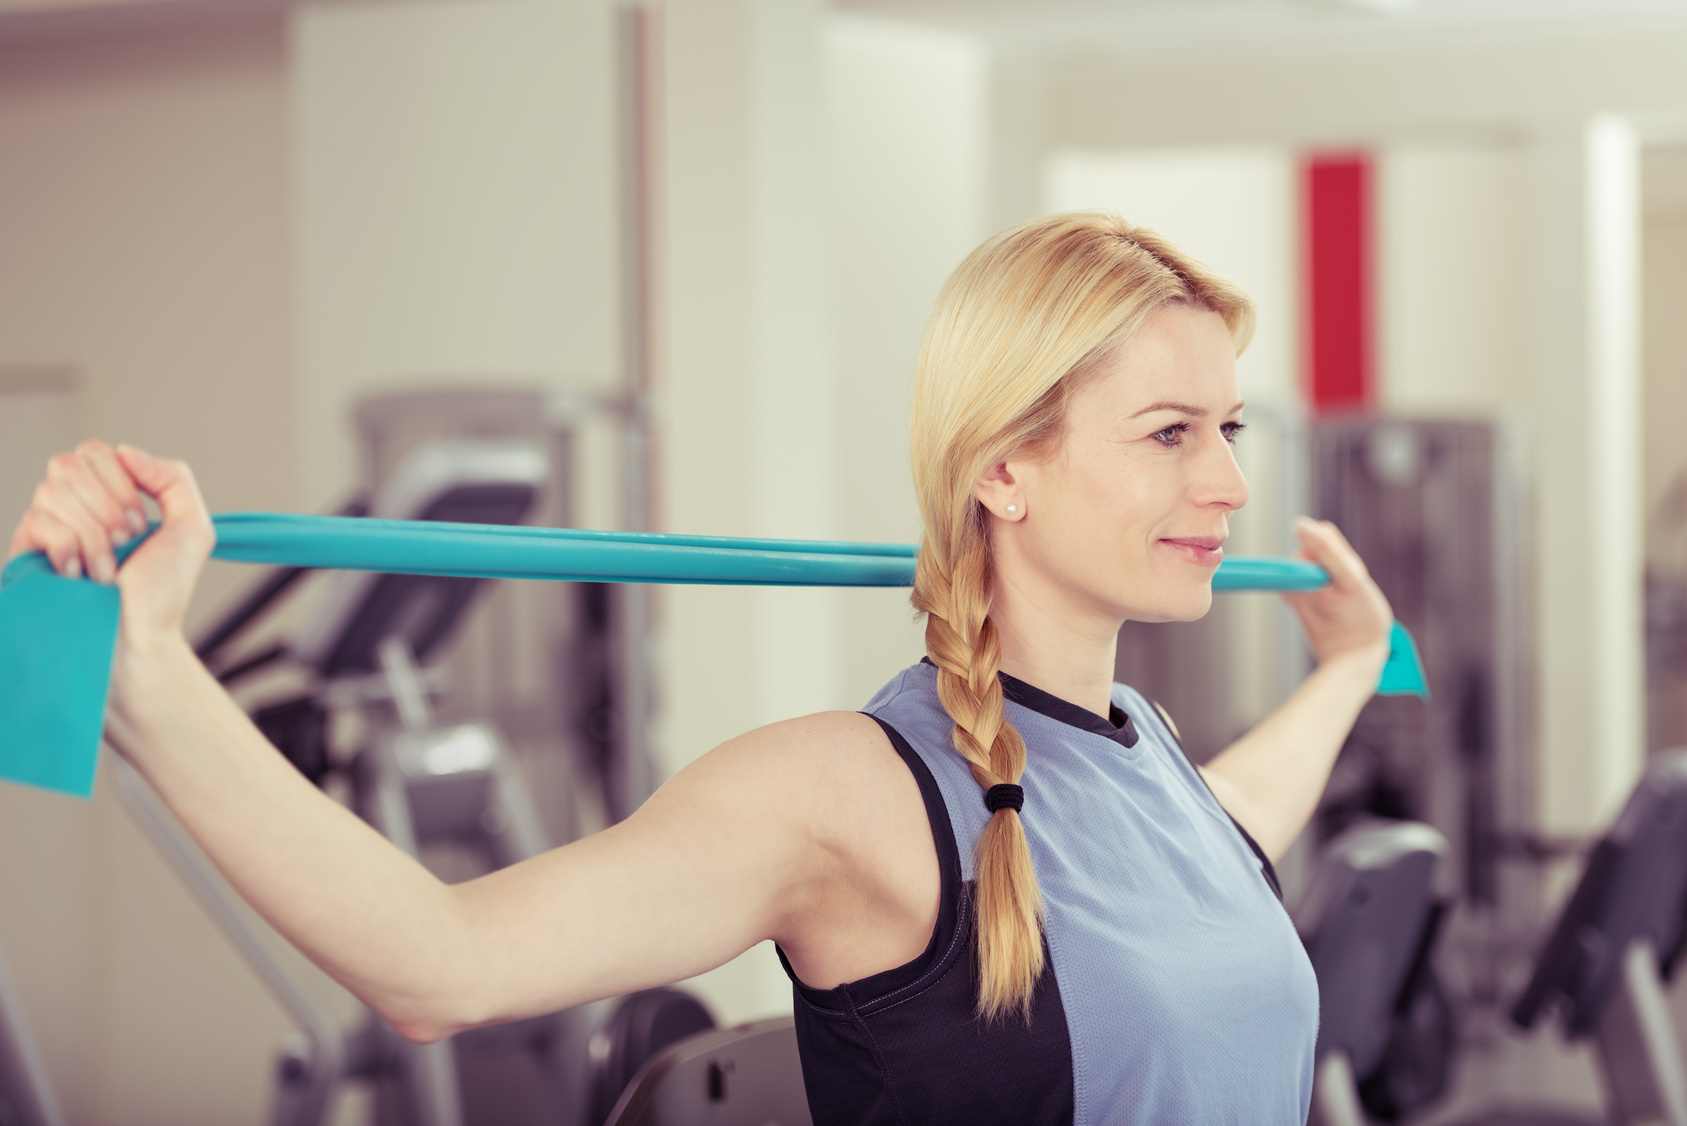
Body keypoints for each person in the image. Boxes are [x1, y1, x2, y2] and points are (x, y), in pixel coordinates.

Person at [10, 213, 1392, 1126]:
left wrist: (1347, 668)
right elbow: (444, 961)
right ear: (1004, 469)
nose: (1224, 480)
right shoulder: (849, 794)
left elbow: (1237, 818)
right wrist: (147, 674)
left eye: (1228, 427)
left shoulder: (1145, 751)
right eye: (1168, 433)